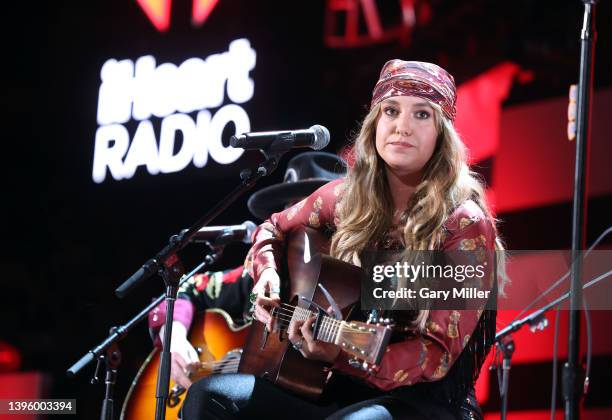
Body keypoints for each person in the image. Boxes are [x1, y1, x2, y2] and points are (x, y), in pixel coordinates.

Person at [181, 59, 508, 419]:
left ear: (441, 135)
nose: (402, 126)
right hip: (336, 385)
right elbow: (272, 228)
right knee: (209, 397)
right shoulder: (343, 198)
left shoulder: (462, 225)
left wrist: (339, 351)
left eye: (422, 115)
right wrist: (267, 277)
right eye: (391, 111)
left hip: (420, 402)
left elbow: (434, 354)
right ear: (375, 124)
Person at [148, 152, 347, 390]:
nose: (297, 216)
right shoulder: (257, 274)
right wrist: (174, 339)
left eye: (308, 207)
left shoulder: (352, 282)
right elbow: (182, 289)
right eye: (290, 207)